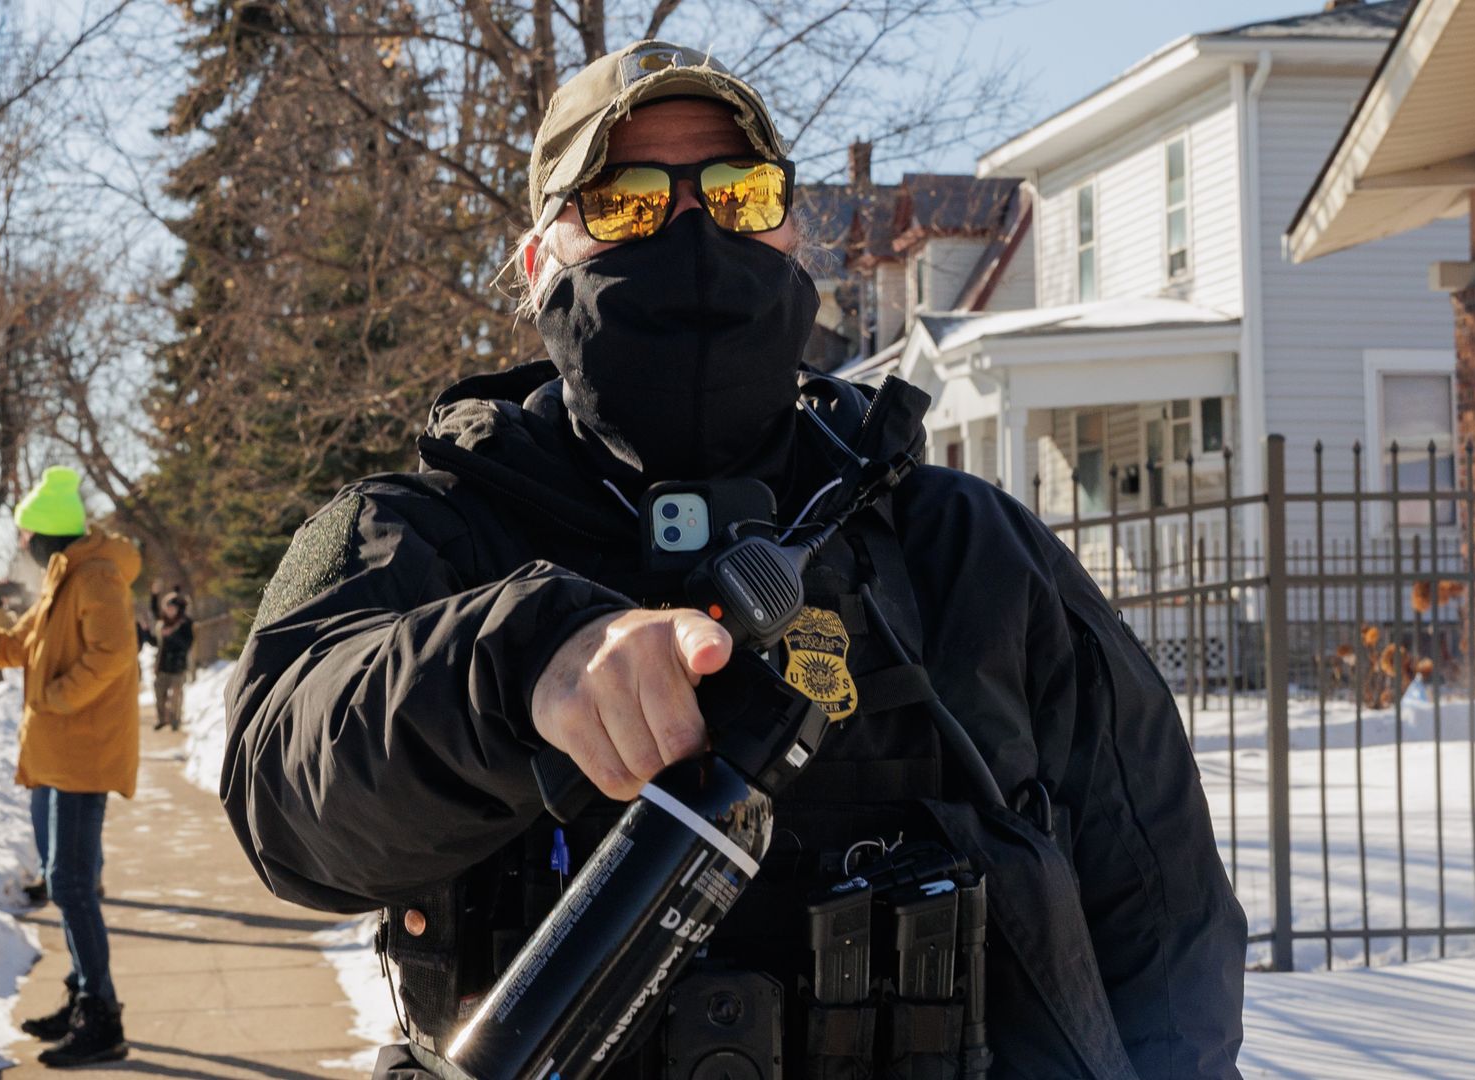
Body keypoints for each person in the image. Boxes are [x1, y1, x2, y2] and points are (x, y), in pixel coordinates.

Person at [223, 41, 1245, 1080]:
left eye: (738, 193)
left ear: (794, 237)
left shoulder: (961, 551)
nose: (692, 232)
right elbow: (284, 797)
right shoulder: (421, 535)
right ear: (539, 265)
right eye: (623, 204)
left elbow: (1166, 916)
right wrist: (516, 664)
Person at [0, 465, 140, 1069]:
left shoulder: (94, 577)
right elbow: (13, 648)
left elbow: (115, 653)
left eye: (24, 533)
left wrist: (54, 699)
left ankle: (103, 1018)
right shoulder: (61, 580)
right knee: (63, 880)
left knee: (71, 884)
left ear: (46, 533)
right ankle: (81, 997)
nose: (20, 544)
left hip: (80, 758)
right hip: (53, 758)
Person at [138, 584, 195, 731]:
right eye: (167, 608)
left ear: (178, 609)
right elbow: (155, 642)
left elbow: (187, 644)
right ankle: (162, 719)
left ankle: (175, 721)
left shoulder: (184, 624)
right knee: (159, 693)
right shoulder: (162, 624)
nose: (169, 611)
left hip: (178, 666)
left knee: (176, 695)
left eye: (172, 608)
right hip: (162, 665)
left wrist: (172, 634)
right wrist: (145, 632)